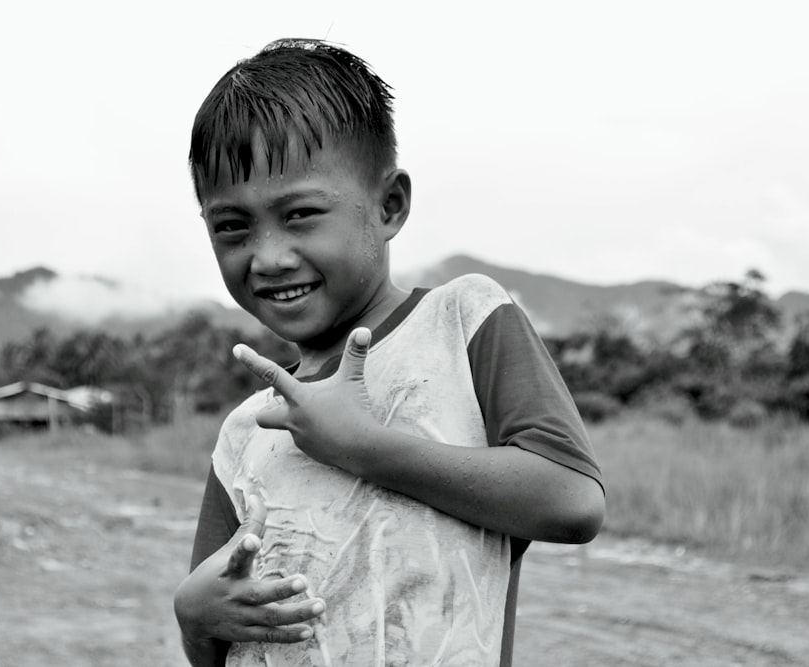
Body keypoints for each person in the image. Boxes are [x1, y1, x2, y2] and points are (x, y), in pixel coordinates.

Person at [173, 38, 605, 667]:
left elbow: (572, 501)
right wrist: (194, 618)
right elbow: (221, 638)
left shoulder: (462, 322)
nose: (267, 256)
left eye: (300, 214)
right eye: (231, 226)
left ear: (389, 205)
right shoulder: (246, 432)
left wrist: (362, 446)